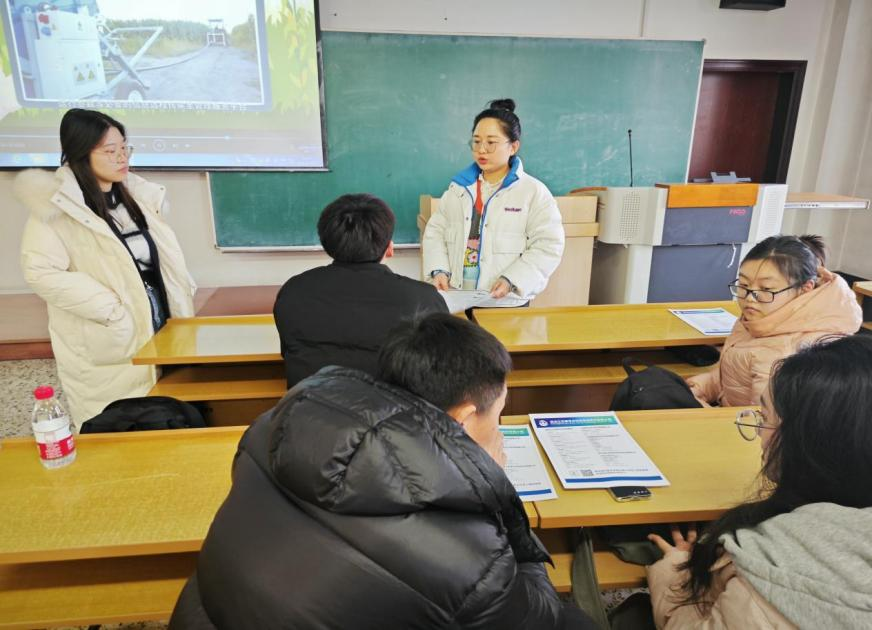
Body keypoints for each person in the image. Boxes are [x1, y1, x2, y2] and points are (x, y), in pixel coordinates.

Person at [170, 314, 595, 629]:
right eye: (497, 415)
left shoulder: (269, 429)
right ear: (464, 419)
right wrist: (496, 490)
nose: (498, 429)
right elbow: (537, 618)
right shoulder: (465, 556)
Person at [645, 334, 872, 628]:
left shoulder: (771, 565)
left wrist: (672, 573)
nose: (759, 435)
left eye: (764, 417)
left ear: (809, 442)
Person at [16, 108, 195, 427]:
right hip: (109, 333)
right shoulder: (54, 207)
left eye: (125, 147)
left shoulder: (137, 195)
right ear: (81, 153)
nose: (122, 157)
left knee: (168, 413)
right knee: (118, 424)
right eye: (111, 151)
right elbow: (40, 272)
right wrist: (109, 307)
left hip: (159, 320)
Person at [273, 193, 448, 387]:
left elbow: (290, 351)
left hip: (310, 404)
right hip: (394, 406)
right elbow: (438, 366)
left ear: (326, 243)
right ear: (389, 248)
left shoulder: (294, 292)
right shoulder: (423, 299)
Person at [687, 234, 861, 407]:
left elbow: (761, 420)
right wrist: (700, 387)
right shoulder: (760, 317)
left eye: (766, 289)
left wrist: (698, 408)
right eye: (744, 285)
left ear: (805, 288)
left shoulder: (785, 353)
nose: (750, 298)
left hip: (741, 422)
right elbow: (733, 375)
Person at [422, 99, 565, 301]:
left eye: (491, 143)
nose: (481, 150)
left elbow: (548, 245)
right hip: (457, 295)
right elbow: (436, 230)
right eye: (476, 141)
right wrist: (439, 270)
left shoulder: (533, 192)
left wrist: (512, 280)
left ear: (513, 146)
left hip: (503, 300)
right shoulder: (459, 188)